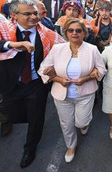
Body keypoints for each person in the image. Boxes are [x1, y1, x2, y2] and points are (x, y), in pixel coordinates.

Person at [0, 0, 65, 168]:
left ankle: (30, 149)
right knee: (13, 114)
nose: (33, 17)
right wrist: (14, 44)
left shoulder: (46, 33)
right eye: (27, 14)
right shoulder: (2, 29)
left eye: (35, 13)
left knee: (36, 117)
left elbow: (63, 48)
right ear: (14, 15)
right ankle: (10, 120)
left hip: (36, 83)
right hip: (12, 83)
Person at [38, 19, 106, 163]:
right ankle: (71, 146)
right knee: (66, 123)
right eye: (71, 30)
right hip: (62, 96)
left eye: (78, 30)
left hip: (85, 94)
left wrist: (87, 78)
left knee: (81, 123)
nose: (74, 33)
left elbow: (102, 70)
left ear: (84, 33)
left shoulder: (92, 50)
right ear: (66, 32)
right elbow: (42, 70)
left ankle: (84, 124)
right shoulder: (57, 49)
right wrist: (57, 79)